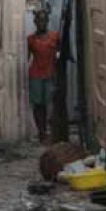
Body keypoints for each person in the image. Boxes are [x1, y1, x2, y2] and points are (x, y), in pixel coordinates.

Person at [28, 9, 62, 142]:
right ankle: (41, 132)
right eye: (39, 20)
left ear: (47, 21)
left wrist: (58, 72)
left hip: (50, 74)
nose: (41, 23)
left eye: (44, 20)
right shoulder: (30, 40)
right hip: (35, 75)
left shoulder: (55, 36)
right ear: (35, 22)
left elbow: (60, 55)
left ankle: (52, 132)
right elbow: (26, 58)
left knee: (51, 104)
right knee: (38, 105)